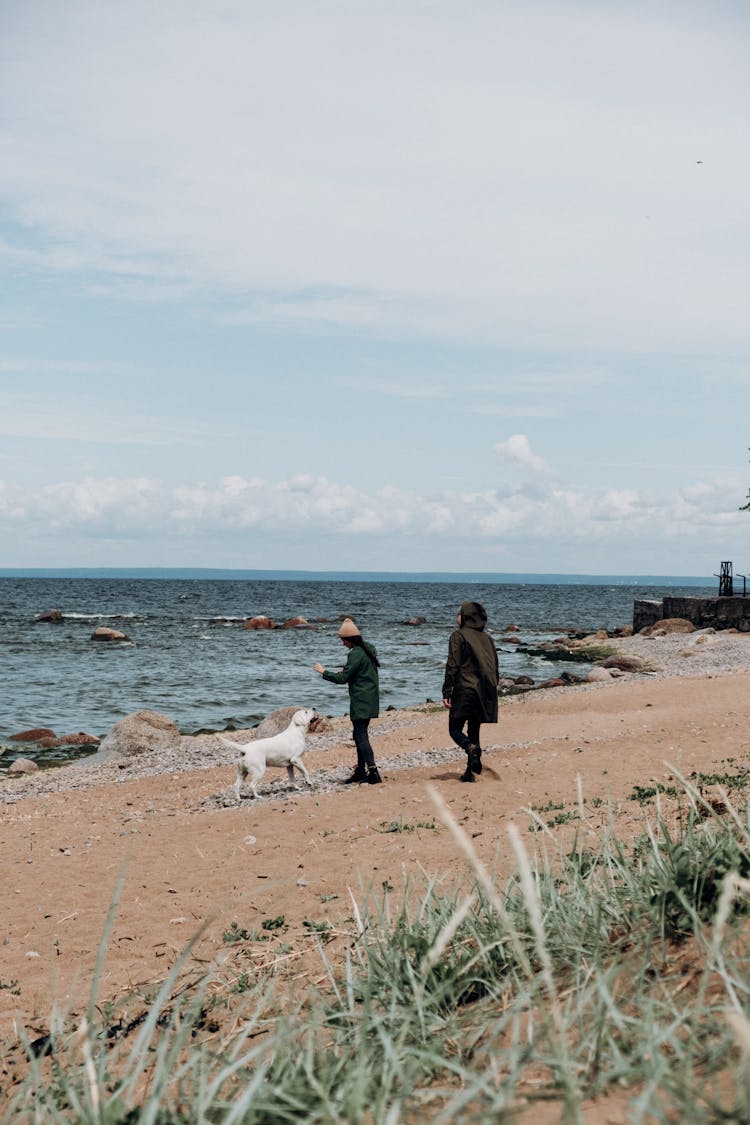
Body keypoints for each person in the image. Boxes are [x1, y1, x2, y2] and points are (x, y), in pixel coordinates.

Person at [314, 618, 382, 785]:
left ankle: (373, 772)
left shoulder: (355, 653)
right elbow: (362, 670)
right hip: (371, 698)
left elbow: (343, 679)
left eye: (343, 640)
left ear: (350, 639)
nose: (342, 644)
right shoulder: (369, 649)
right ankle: (360, 770)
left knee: (360, 735)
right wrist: (348, 670)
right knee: (358, 734)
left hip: (361, 700)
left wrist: (324, 672)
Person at [442, 601, 499, 783]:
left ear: (466, 616)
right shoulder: (487, 639)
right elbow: (495, 666)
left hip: (465, 689)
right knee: (474, 729)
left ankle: (469, 748)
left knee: (455, 729)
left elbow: (453, 664)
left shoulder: (458, 636)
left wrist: (446, 691)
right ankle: (471, 771)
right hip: (484, 690)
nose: (456, 617)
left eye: (459, 613)